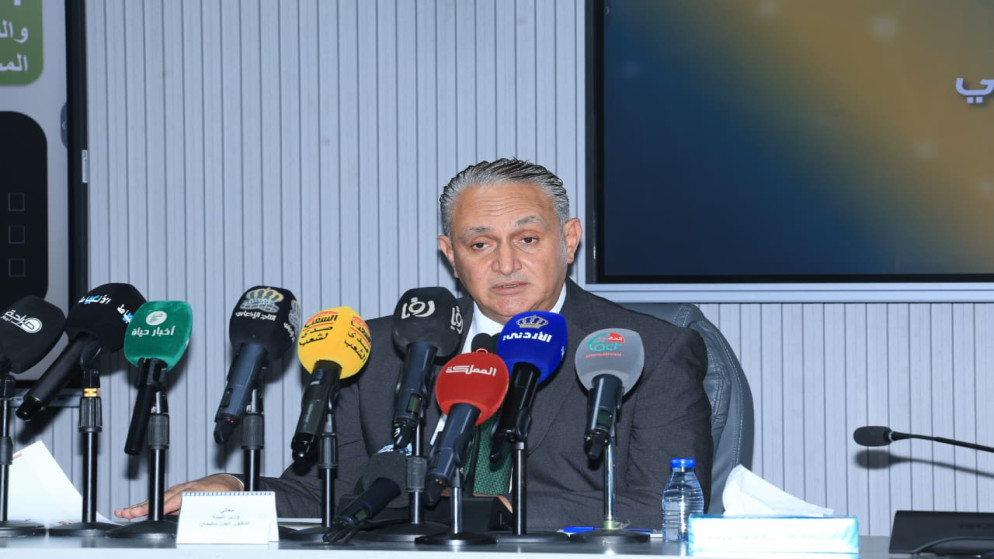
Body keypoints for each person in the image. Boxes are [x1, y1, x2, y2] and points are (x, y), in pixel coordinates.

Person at [115, 158, 713, 530]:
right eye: (480, 245)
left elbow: (667, 506)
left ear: (570, 239)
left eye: (528, 239)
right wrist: (235, 493)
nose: (506, 264)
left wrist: (498, 511)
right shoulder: (379, 348)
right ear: (450, 254)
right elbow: (326, 492)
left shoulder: (650, 350)